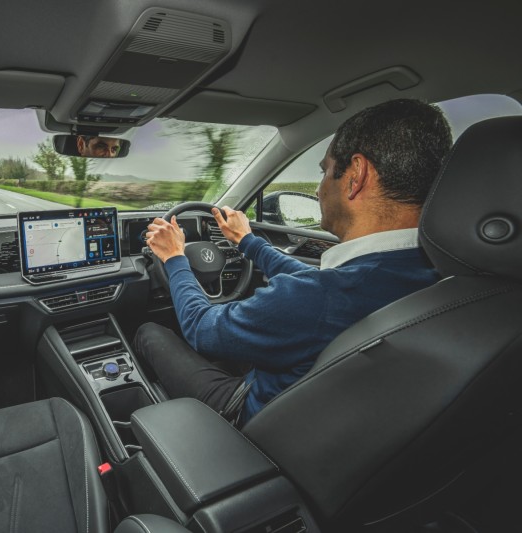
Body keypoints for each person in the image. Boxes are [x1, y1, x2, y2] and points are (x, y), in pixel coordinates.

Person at [136, 98, 453, 425]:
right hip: (335, 417)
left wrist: (174, 258)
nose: (319, 189)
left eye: (325, 171)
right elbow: (314, 284)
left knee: (149, 331)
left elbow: (203, 329)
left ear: (355, 175)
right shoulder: (438, 270)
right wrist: (248, 243)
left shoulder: (321, 298)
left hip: (253, 418)